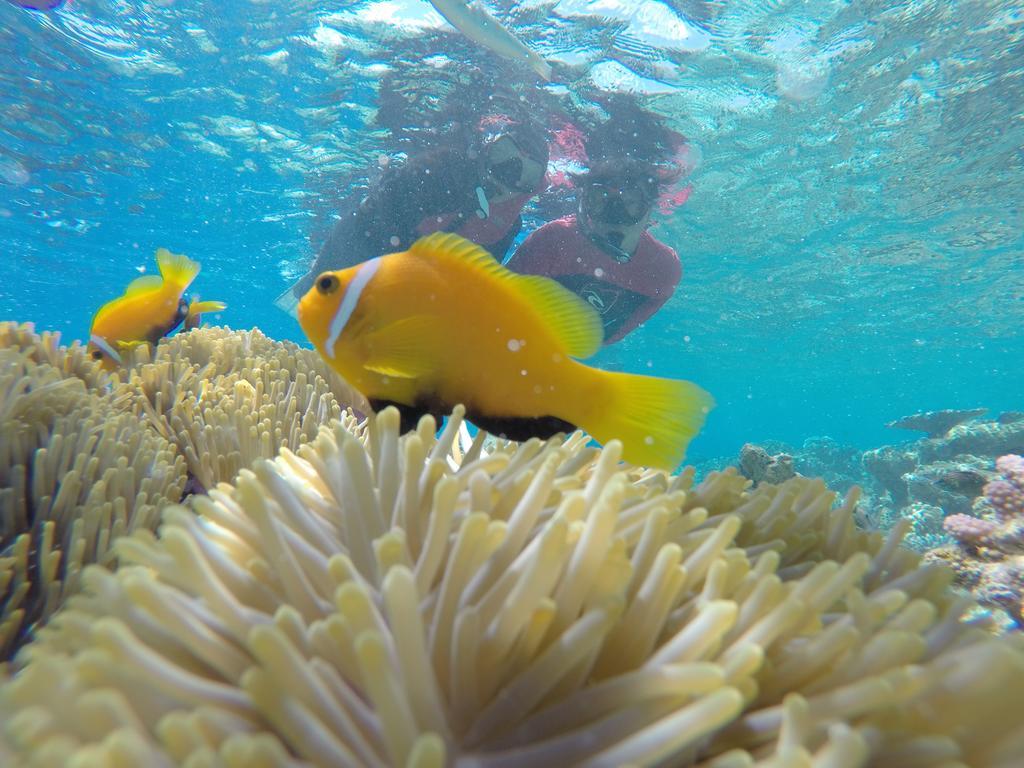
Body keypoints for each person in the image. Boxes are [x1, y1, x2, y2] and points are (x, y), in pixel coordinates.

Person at [276, 116, 550, 314]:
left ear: (533, 187)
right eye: (505, 155)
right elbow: (372, 220)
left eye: (525, 173)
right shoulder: (443, 170)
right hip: (362, 254)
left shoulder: (511, 225)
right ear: (488, 149)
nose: (508, 173)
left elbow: (475, 280)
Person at [504, 158, 682, 344]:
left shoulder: (664, 271)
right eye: (600, 199)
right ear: (585, 205)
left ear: (649, 211)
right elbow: (499, 302)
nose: (614, 214)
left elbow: (608, 339)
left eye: (630, 202)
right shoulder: (554, 240)